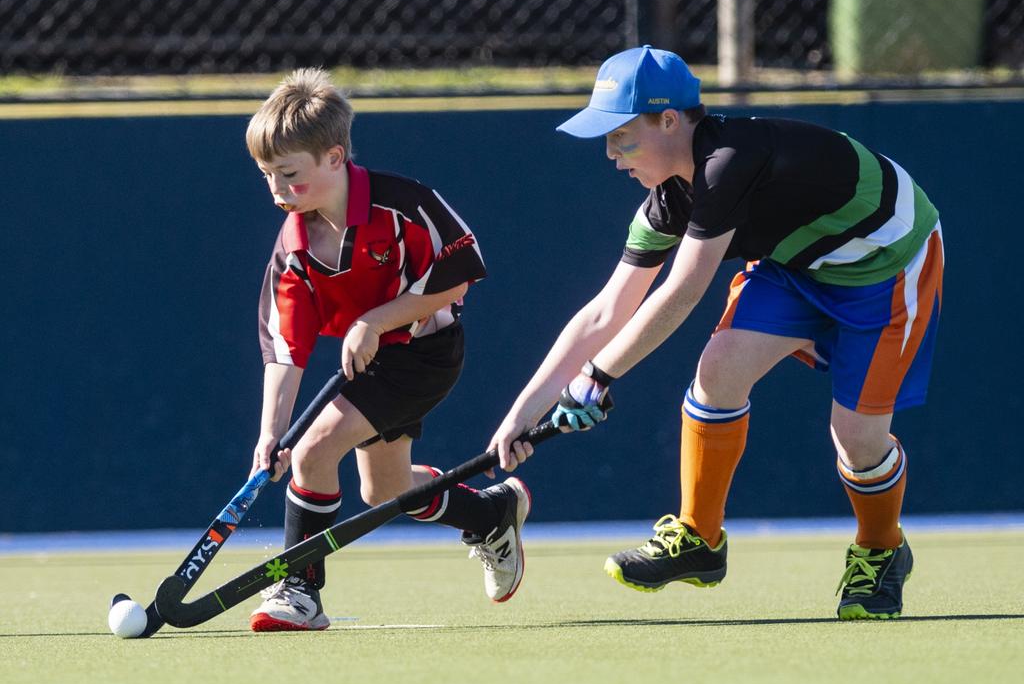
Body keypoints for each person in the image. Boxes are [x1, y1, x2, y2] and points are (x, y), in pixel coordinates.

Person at [488, 46, 942, 620]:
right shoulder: (667, 200)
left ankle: (882, 549)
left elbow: (680, 293)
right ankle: (700, 541)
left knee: (856, 437)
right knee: (719, 369)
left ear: (670, 120)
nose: (610, 154)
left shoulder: (729, 160)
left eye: (622, 136)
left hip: (886, 264)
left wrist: (596, 378)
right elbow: (607, 310)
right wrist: (524, 409)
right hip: (798, 267)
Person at [245, 68, 531, 632]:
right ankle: (491, 513)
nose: (277, 190)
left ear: (334, 157)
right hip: (372, 360)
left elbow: (458, 278)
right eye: (266, 176)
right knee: (385, 489)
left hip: (426, 352)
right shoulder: (294, 248)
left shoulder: (405, 205)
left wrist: (374, 321)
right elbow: (286, 349)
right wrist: (270, 432)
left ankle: (299, 590)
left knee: (315, 452)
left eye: (288, 175)